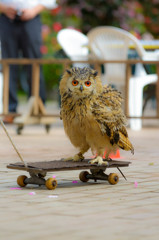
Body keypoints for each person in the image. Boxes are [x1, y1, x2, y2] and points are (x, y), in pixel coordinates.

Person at [0, 0, 57, 123]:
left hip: (31, 18)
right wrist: (4, 8)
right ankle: (10, 110)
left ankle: (37, 109)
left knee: (34, 64)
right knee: (8, 66)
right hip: (6, 18)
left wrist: (33, 11)